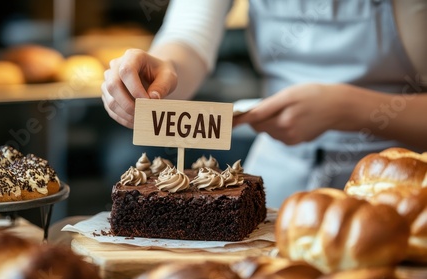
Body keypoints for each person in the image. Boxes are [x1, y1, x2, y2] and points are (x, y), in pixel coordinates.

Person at [101, 0, 427, 207]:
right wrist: (161, 71)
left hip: (403, 186)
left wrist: (350, 109)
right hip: (277, 179)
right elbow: (189, 36)